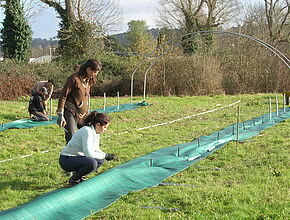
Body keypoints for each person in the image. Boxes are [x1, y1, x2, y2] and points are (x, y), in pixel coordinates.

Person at [59, 111, 116, 186]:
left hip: (78, 158)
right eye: (105, 127)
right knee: (92, 163)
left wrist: (105, 155)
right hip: (66, 159)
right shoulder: (87, 131)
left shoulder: (95, 132)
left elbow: (96, 149)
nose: (105, 130)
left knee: (100, 160)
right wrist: (105, 155)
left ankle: (80, 176)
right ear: (98, 125)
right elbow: (88, 153)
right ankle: (74, 179)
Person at [56, 59, 102, 143]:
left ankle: (89, 154)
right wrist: (60, 115)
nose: (95, 75)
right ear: (88, 69)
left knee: (91, 133)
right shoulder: (74, 78)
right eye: (94, 72)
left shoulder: (89, 81)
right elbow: (63, 96)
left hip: (83, 115)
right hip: (70, 113)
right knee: (72, 139)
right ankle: (69, 156)